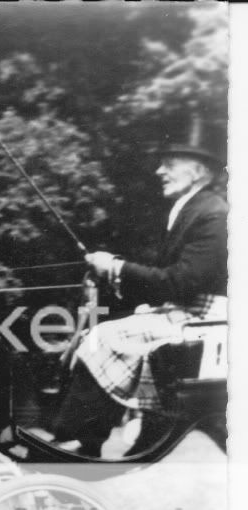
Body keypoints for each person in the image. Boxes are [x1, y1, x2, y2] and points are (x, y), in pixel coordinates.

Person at [52, 123, 227, 457]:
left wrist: (116, 267)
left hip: (203, 320)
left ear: (198, 170)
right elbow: (171, 280)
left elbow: (183, 281)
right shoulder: (192, 209)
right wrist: (112, 270)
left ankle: (80, 441)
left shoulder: (214, 214)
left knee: (101, 339)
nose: (159, 171)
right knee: (105, 331)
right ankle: (90, 438)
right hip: (185, 314)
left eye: (169, 164)